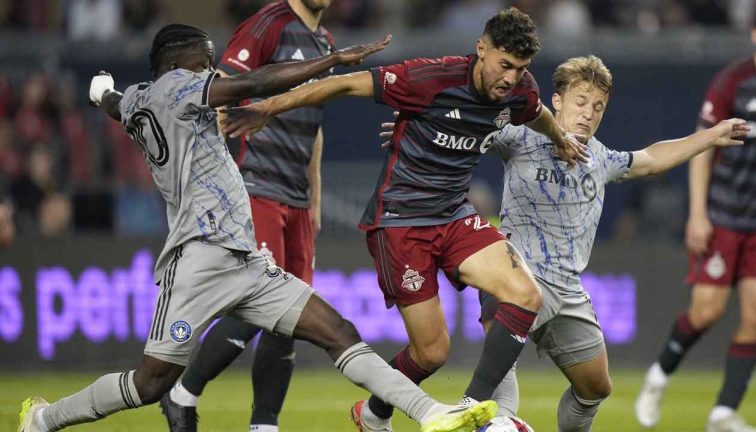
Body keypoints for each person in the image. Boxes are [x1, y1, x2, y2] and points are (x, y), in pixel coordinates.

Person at [16, 23, 498, 432]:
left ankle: (430, 413)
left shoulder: (141, 99)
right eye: (205, 61)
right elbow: (257, 84)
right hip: (198, 260)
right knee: (150, 383)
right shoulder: (181, 87)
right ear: (178, 62)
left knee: (337, 330)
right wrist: (332, 61)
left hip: (246, 260)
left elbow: (116, 103)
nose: (212, 69)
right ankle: (43, 419)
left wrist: (101, 91)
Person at [220, 7, 590, 432]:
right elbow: (341, 83)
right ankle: (375, 413)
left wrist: (560, 138)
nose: (510, 77)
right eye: (504, 65)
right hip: (400, 221)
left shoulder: (519, 91)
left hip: (453, 214)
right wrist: (269, 106)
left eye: (519, 68)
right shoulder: (430, 78)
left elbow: (536, 109)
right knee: (431, 353)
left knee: (526, 294)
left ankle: (473, 408)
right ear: (481, 49)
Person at [464, 55, 746, 432]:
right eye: (580, 102)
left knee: (595, 386)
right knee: (500, 352)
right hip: (517, 275)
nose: (588, 114)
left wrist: (711, 136)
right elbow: (467, 131)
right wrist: (416, 131)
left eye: (598, 107)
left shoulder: (599, 158)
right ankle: (498, 422)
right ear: (558, 100)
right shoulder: (521, 135)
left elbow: (651, 159)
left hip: (567, 290)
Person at [159, 2, 336, 431]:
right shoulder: (270, 23)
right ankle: (181, 393)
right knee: (259, 302)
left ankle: (264, 424)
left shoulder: (325, 43)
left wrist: (314, 196)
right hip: (255, 187)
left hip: (295, 198)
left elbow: (315, 128)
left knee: (290, 318)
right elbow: (219, 88)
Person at [636, 3, 756, 432]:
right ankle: (658, 376)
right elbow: (702, 147)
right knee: (707, 311)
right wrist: (698, 213)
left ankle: (723, 412)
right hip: (725, 216)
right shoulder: (733, 81)